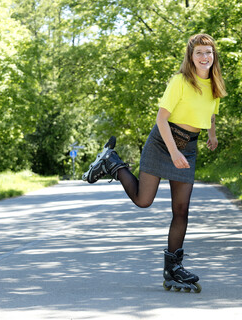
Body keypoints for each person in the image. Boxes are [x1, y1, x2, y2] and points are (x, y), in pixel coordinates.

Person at [83, 33, 227, 292]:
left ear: (213, 55)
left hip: (189, 147)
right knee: (143, 200)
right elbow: (162, 119)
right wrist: (173, 153)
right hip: (163, 142)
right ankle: (112, 163)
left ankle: (173, 268)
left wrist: (212, 135)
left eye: (209, 52)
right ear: (191, 57)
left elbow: (212, 113)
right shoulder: (180, 81)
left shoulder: (215, 83)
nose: (205, 57)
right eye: (199, 53)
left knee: (181, 210)